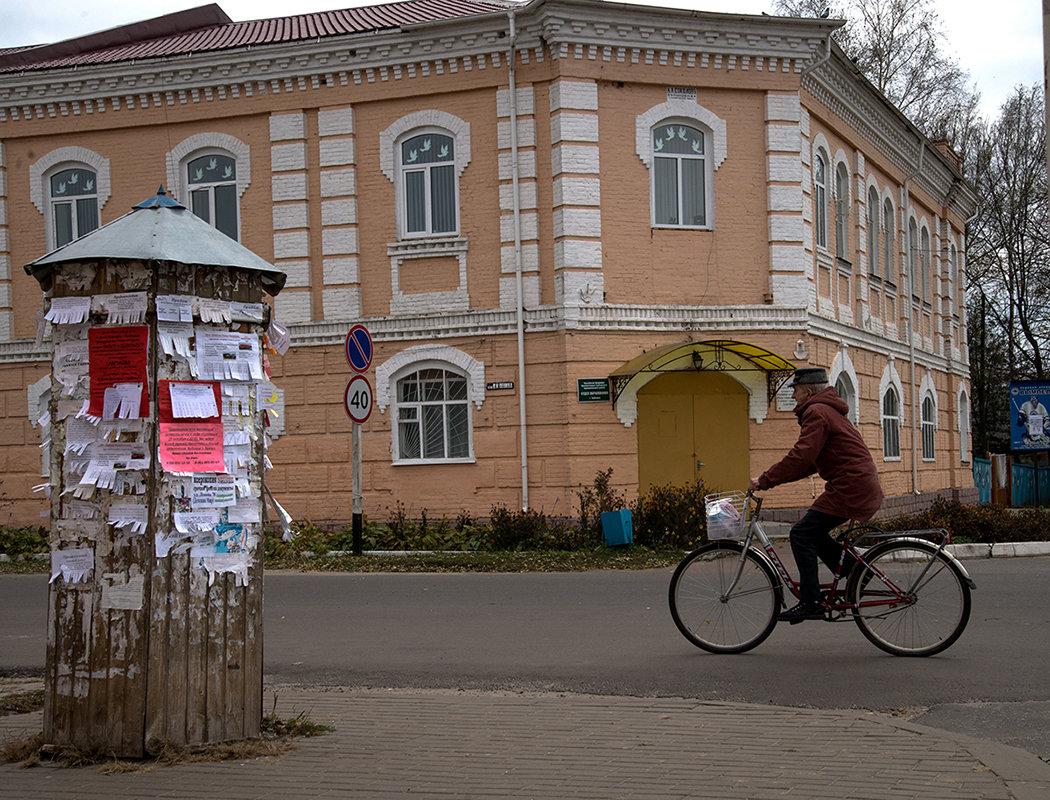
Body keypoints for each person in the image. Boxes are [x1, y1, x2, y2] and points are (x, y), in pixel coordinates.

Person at [748, 367, 883, 623]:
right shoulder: (826, 410)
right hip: (855, 484)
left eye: (796, 390)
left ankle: (811, 601)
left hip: (850, 486)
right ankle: (857, 572)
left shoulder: (816, 412)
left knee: (801, 534)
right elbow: (810, 462)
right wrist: (772, 481)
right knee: (812, 533)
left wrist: (764, 480)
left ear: (808, 390)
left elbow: (801, 456)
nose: (794, 395)